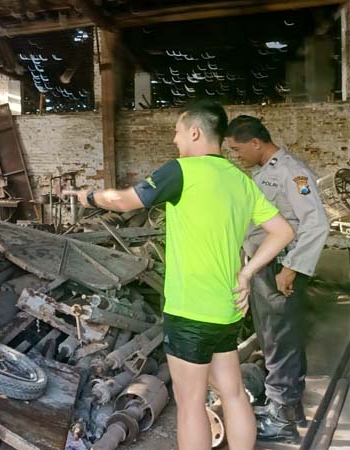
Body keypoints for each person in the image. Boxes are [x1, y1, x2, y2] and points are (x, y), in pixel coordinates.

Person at [64, 99, 294, 450]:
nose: (175, 140)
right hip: (226, 309)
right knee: (233, 394)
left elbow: (125, 200)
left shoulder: (181, 171)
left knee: (190, 404)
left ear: (195, 131)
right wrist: (246, 273)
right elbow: (282, 231)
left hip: (189, 311)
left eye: (177, 132)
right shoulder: (240, 181)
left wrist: (87, 196)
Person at [225, 115, 329, 443]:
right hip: (266, 267)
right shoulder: (263, 172)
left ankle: (282, 419)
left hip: (281, 269)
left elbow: (316, 223)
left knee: (279, 338)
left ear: (257, 143)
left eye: (238, 149)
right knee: (275, 336)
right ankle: (287, 405)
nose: (236, 156)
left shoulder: (290, 172)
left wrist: (292, 268)